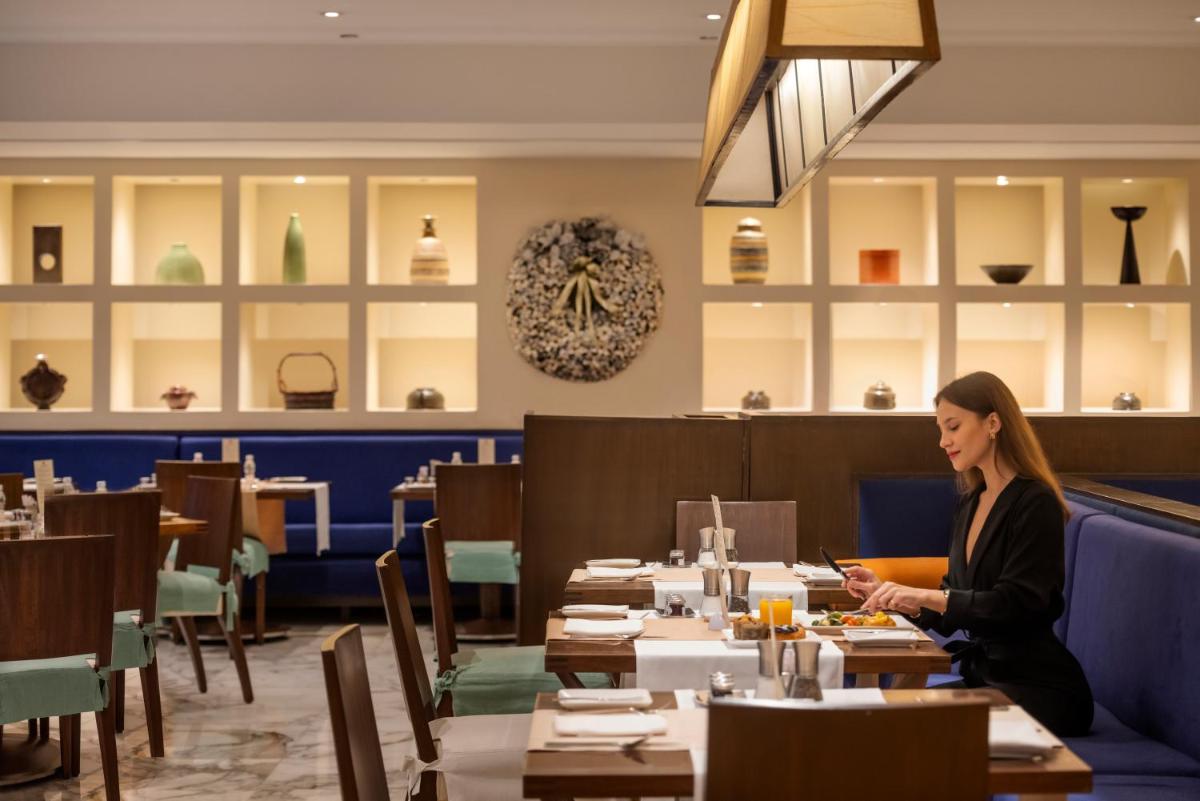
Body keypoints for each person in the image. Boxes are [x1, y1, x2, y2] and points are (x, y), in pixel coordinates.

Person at [841, 371, 1094, 736]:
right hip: (986, 678)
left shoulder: (1035, 502)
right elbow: (953, 605)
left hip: (1040, 689)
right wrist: (891, 593)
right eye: (940, 430)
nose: (943, 442)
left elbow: (1017, 603)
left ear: (993, 423)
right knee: (878, 718)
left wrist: (924, 594)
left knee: (895, 726)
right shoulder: (973, 502)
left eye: (953, 427)